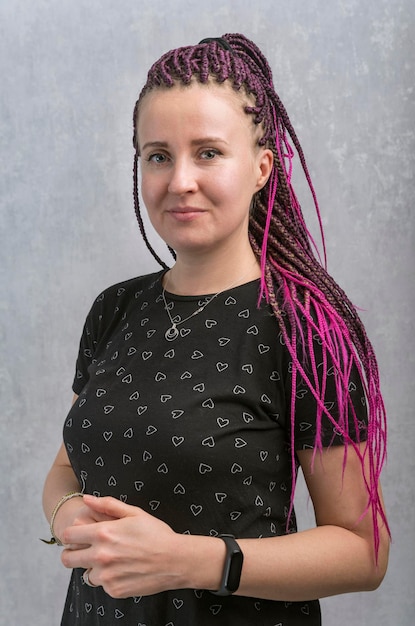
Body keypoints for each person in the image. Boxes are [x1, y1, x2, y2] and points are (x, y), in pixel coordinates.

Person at [42, 34, 390, 625]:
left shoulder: (306, 327)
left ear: (261, 168)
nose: (179, 180)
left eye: (207, 153)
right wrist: (67, 515)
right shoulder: (114, 310)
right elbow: (64, 472)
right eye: (158, 155)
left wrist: (192, 561)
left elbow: (364, 552)